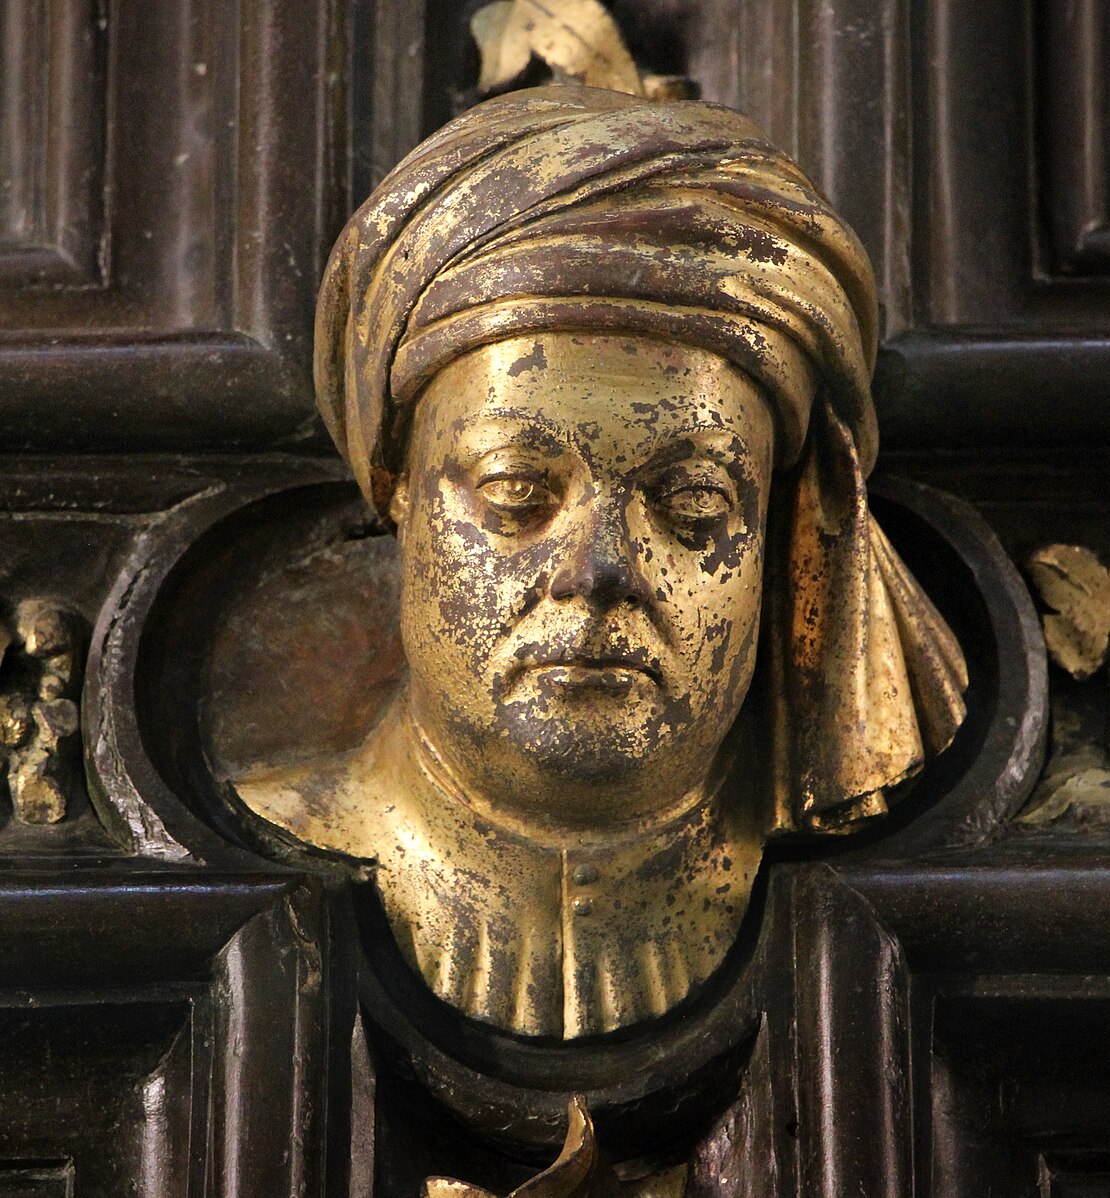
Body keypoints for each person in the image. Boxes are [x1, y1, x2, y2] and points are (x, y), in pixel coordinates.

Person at [235, 85, 967, 1040]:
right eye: (516, 493)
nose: (599, 569)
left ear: (779, 529)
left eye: (692, 504)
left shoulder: (902, 908)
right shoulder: (254, 854)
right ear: (397, 490)